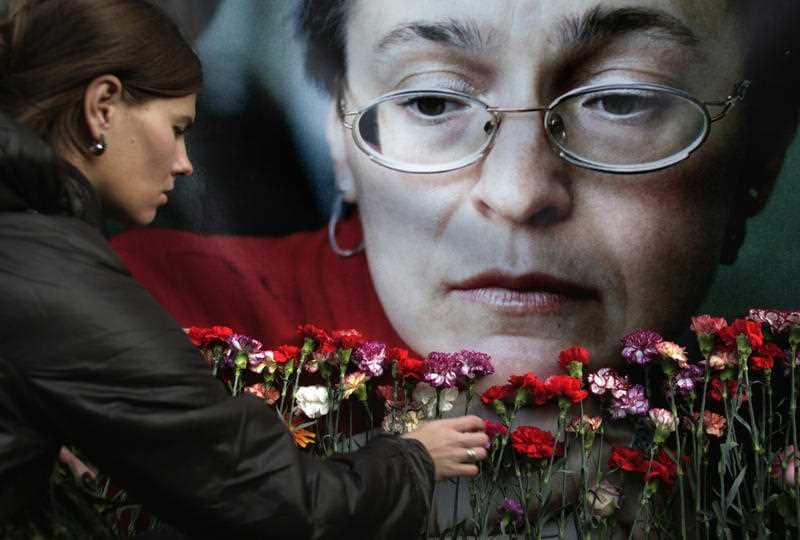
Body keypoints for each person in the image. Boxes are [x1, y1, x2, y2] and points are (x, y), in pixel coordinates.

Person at [112, 0, 799, 410]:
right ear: (342, 140)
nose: (518, 191)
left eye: (621, 99)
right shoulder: (141, 329)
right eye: (434, 100)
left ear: (759, 157)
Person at [0, 0, 490, 538]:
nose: (184, 162)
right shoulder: (55, 277)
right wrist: (413, 459)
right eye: (177, 126)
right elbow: (267, 498)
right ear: (103, 107)